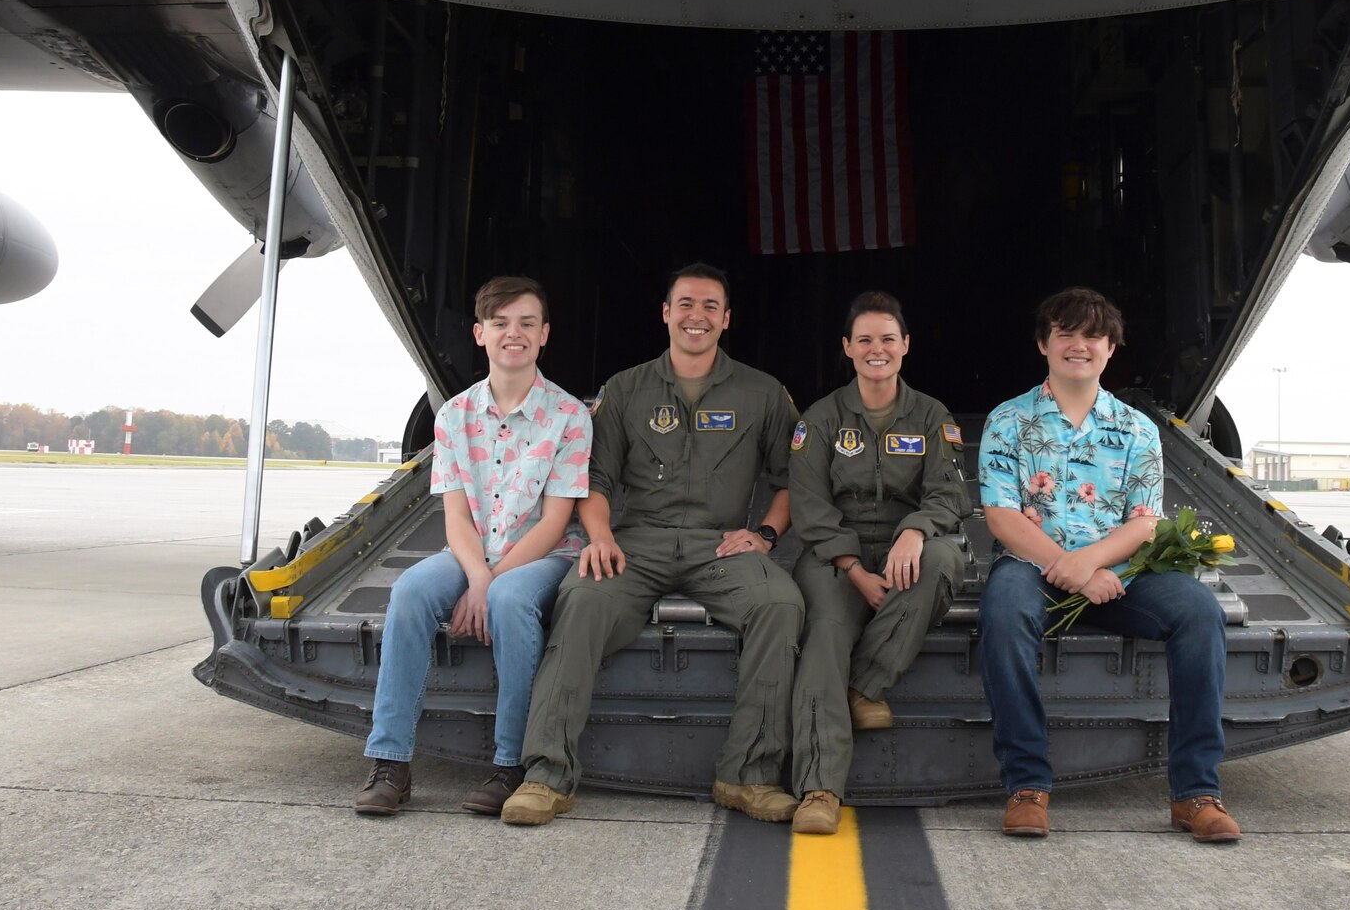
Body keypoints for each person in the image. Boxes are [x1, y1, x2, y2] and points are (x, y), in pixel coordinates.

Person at [502, 263, 805, 826]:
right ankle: (546, 777)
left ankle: (748, 775)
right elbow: (593, 481)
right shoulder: (626, 389)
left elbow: (795, 480)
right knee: (583, 601)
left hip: (720, 548)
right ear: (666, 313)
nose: (698, 316)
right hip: (634, 544)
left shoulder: (762, 393)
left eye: (711, 306)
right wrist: (598, 536)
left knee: (780, 605)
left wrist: (765, 535)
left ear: (727, 319)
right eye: (686, 304)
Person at [975, 287, 1239, 842]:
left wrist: (1095, 568)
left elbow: (1145, 522)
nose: (1079, 345)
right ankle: (1026, 786)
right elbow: (1001, 515)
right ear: (1043, 344)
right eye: (1065, 333)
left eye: (1093, 335)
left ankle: (1196, 794)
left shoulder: (1137, 429)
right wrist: (1065, 567)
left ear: (1111, 348)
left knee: (1199, 613)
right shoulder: (1009, 420)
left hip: (1120, 575)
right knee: (1002, 614)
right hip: (1030, 565)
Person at [355, 276, 593, 818]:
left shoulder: (569, 417)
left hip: (543, 556)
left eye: (528, 323)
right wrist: (477, 577)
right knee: (412, 591)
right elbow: (456, 517)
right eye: (502, 323)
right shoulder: (453, 416)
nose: (516, 334)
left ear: (545, 334)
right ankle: (391, 760)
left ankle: (511, 764)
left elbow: (555, 522)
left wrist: (493, 581)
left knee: (510, 600)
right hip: (475, 550)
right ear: (480, 333)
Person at [785, 291, 970, 835]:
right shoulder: (820, 419)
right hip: (834, 557)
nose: (876, 349)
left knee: (940, 560)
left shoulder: (932, 415)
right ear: (847, 347)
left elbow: (948, 493)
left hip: (904, 549)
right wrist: (853, 568)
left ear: (906, 345)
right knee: (825, 635)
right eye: (864, 339)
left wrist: (915, 529)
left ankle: (862, 687)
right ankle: (819, 789)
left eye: (887, 338)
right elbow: (808, 505)